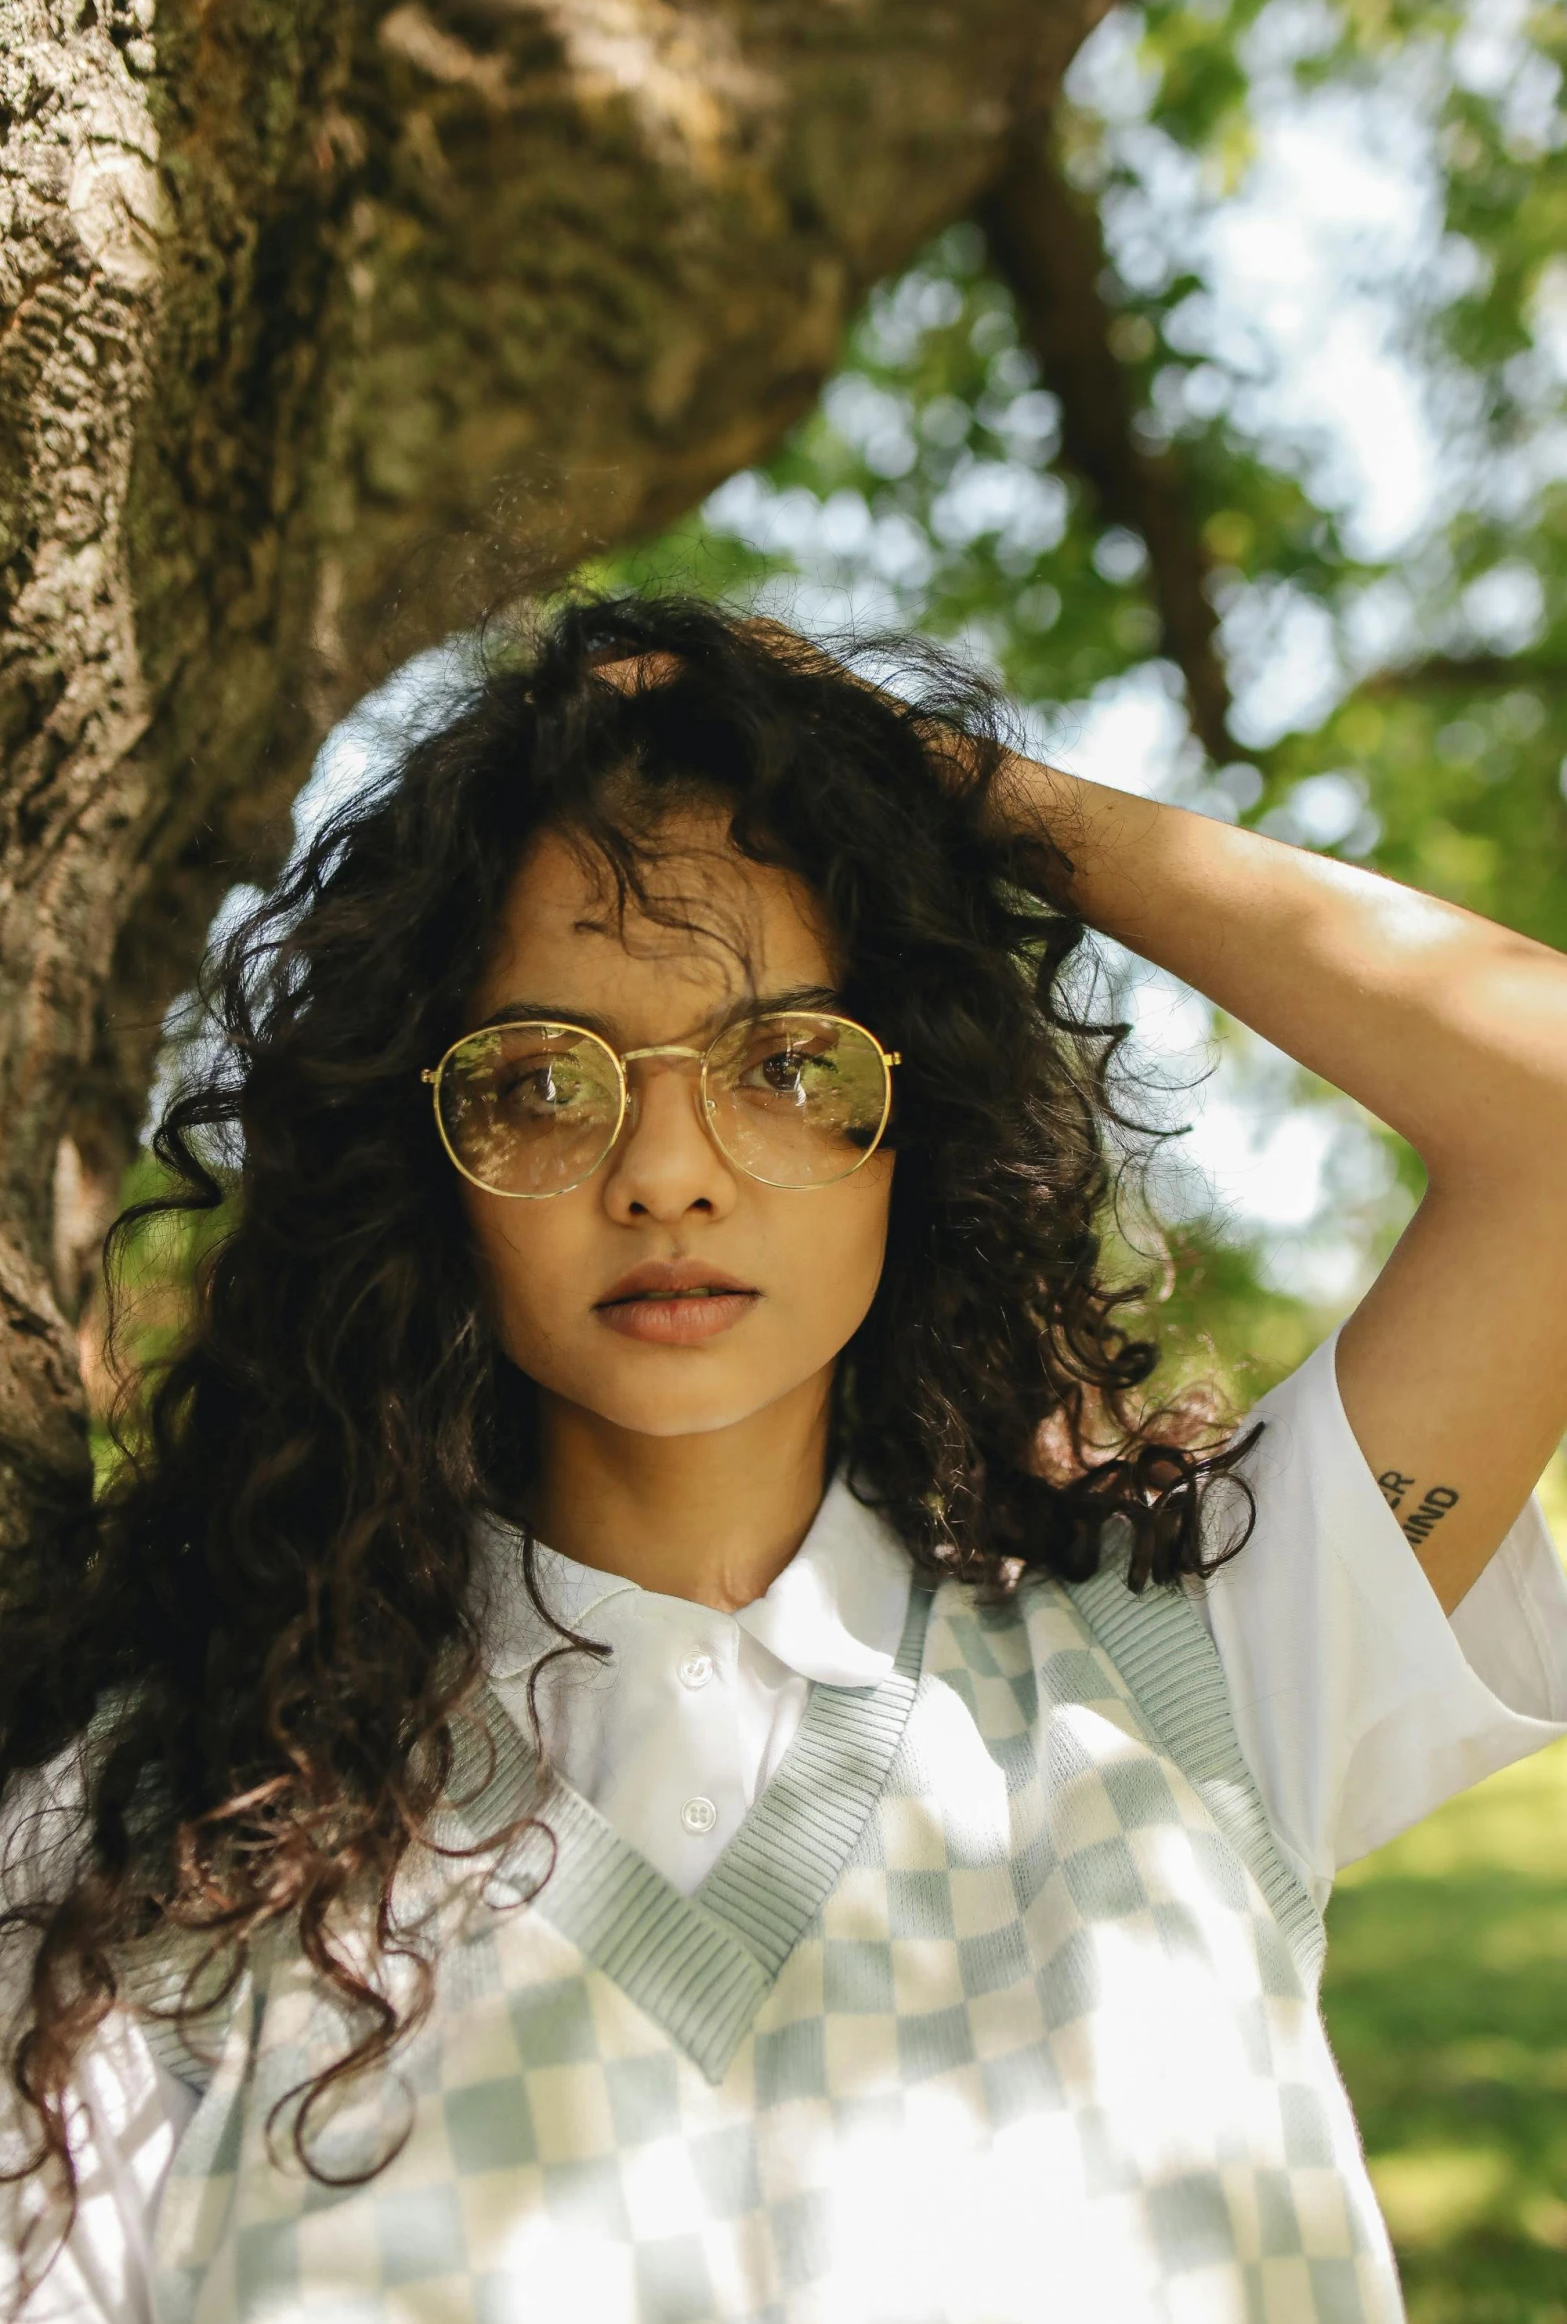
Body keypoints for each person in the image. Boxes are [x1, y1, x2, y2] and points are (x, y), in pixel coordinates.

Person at [2, 594, 1565, 2324]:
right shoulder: (157, 1844)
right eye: (541, 1078)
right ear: (419, 1159)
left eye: (785, 1062)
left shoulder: (1197, 1663)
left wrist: (921, 780)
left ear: (920, 1118)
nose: (667, 1168)